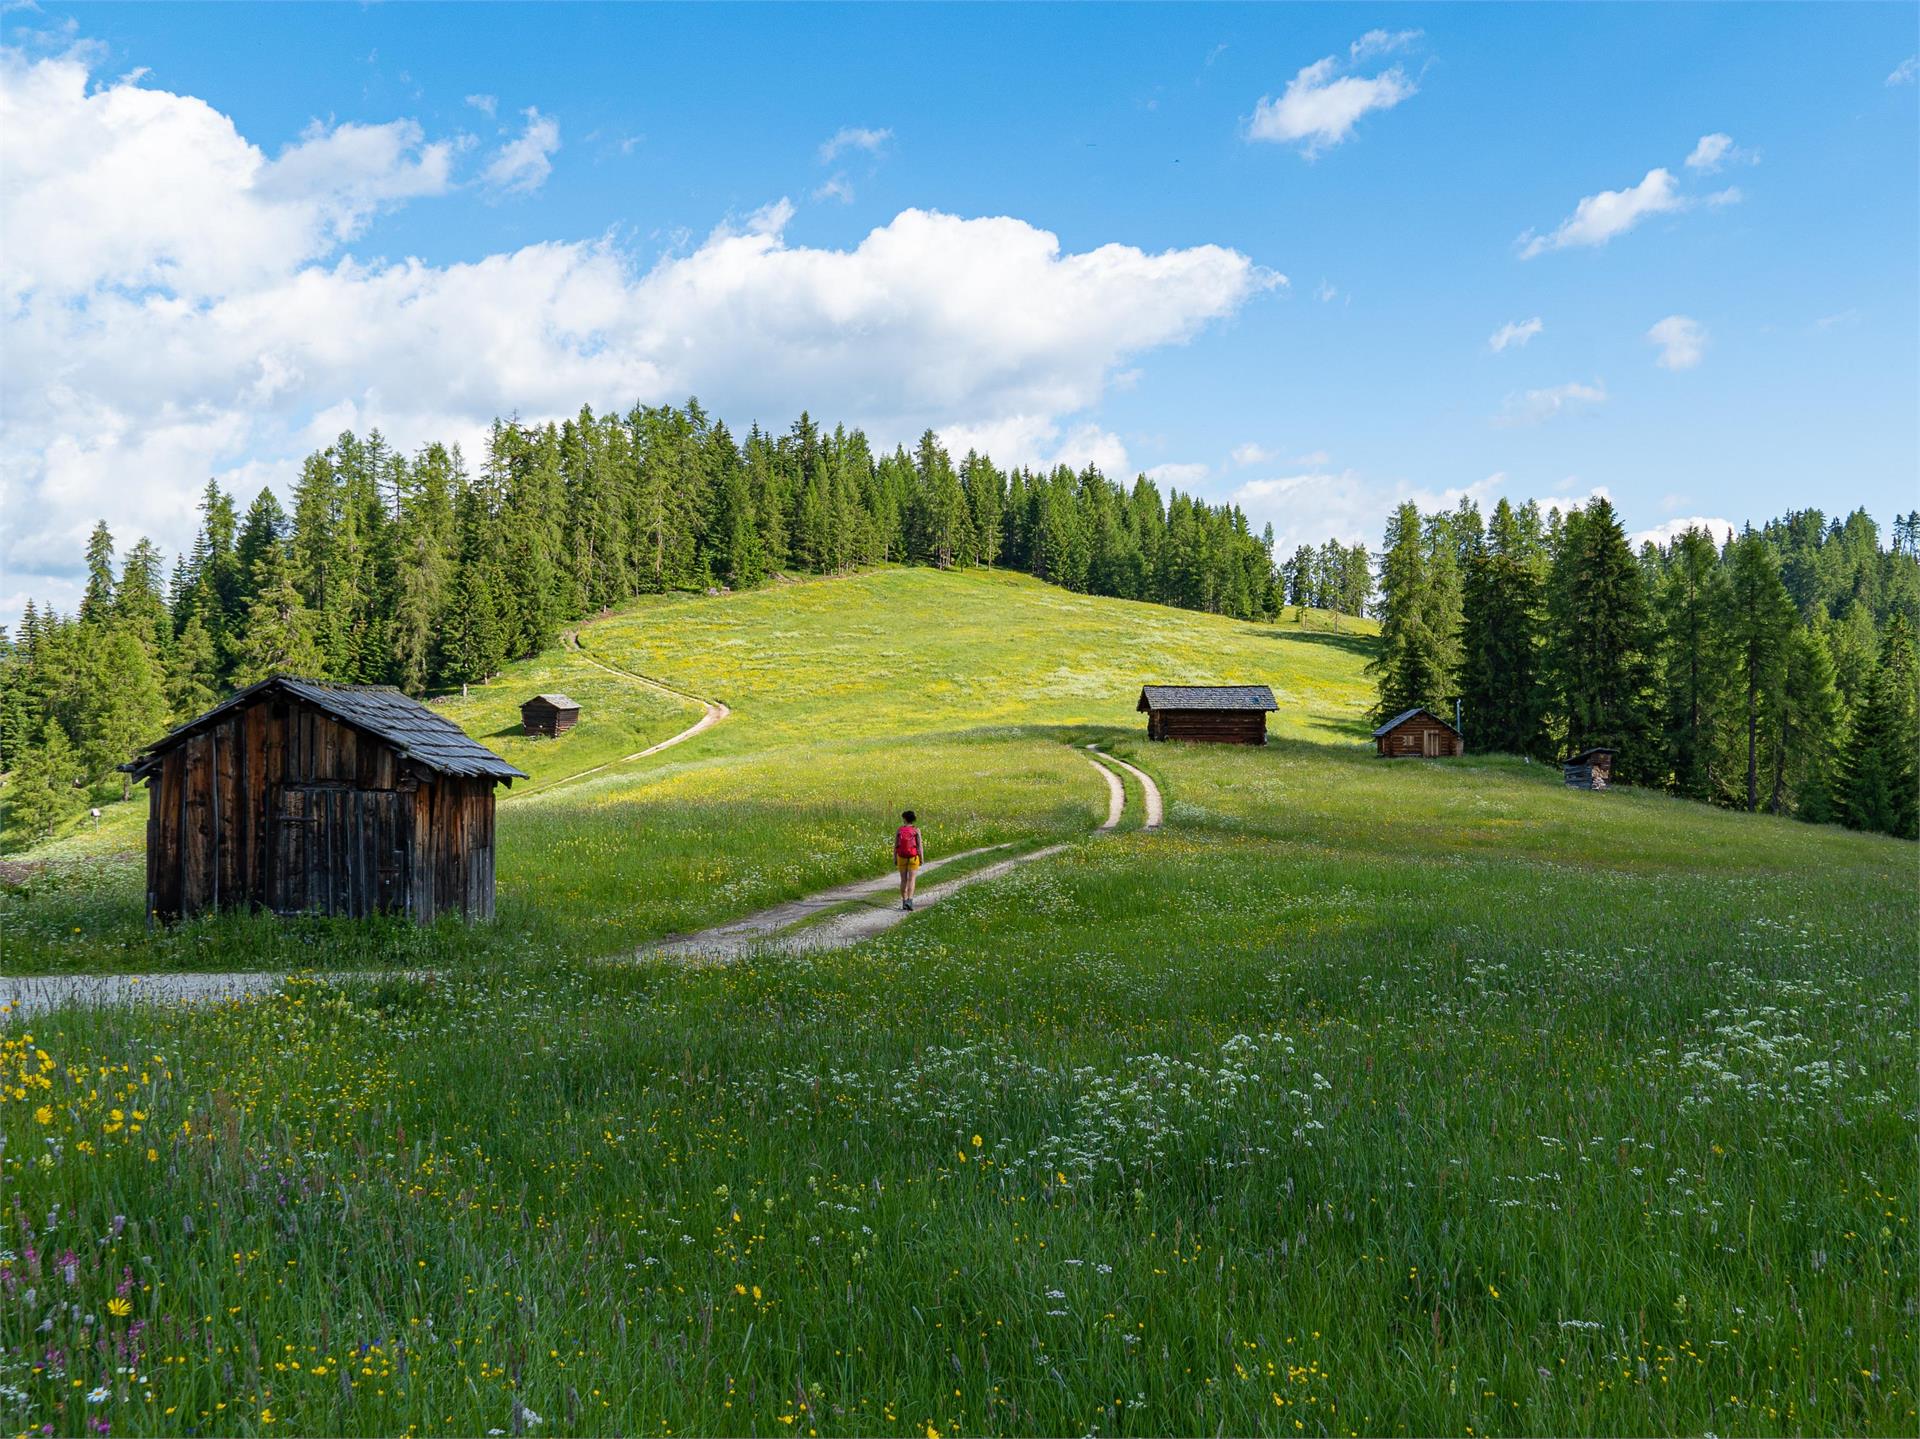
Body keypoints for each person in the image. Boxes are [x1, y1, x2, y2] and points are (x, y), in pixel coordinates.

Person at [894, 809, 923, 911]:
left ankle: (904, 901)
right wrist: (921, 858)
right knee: (911, 880)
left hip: (901, 857)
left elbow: (896, 846)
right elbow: (919, 846)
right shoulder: (916, 830)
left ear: (905, 819)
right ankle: (910, 901)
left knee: (903, 880)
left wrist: (895, 858)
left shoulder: (899, 830)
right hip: (913, 858)